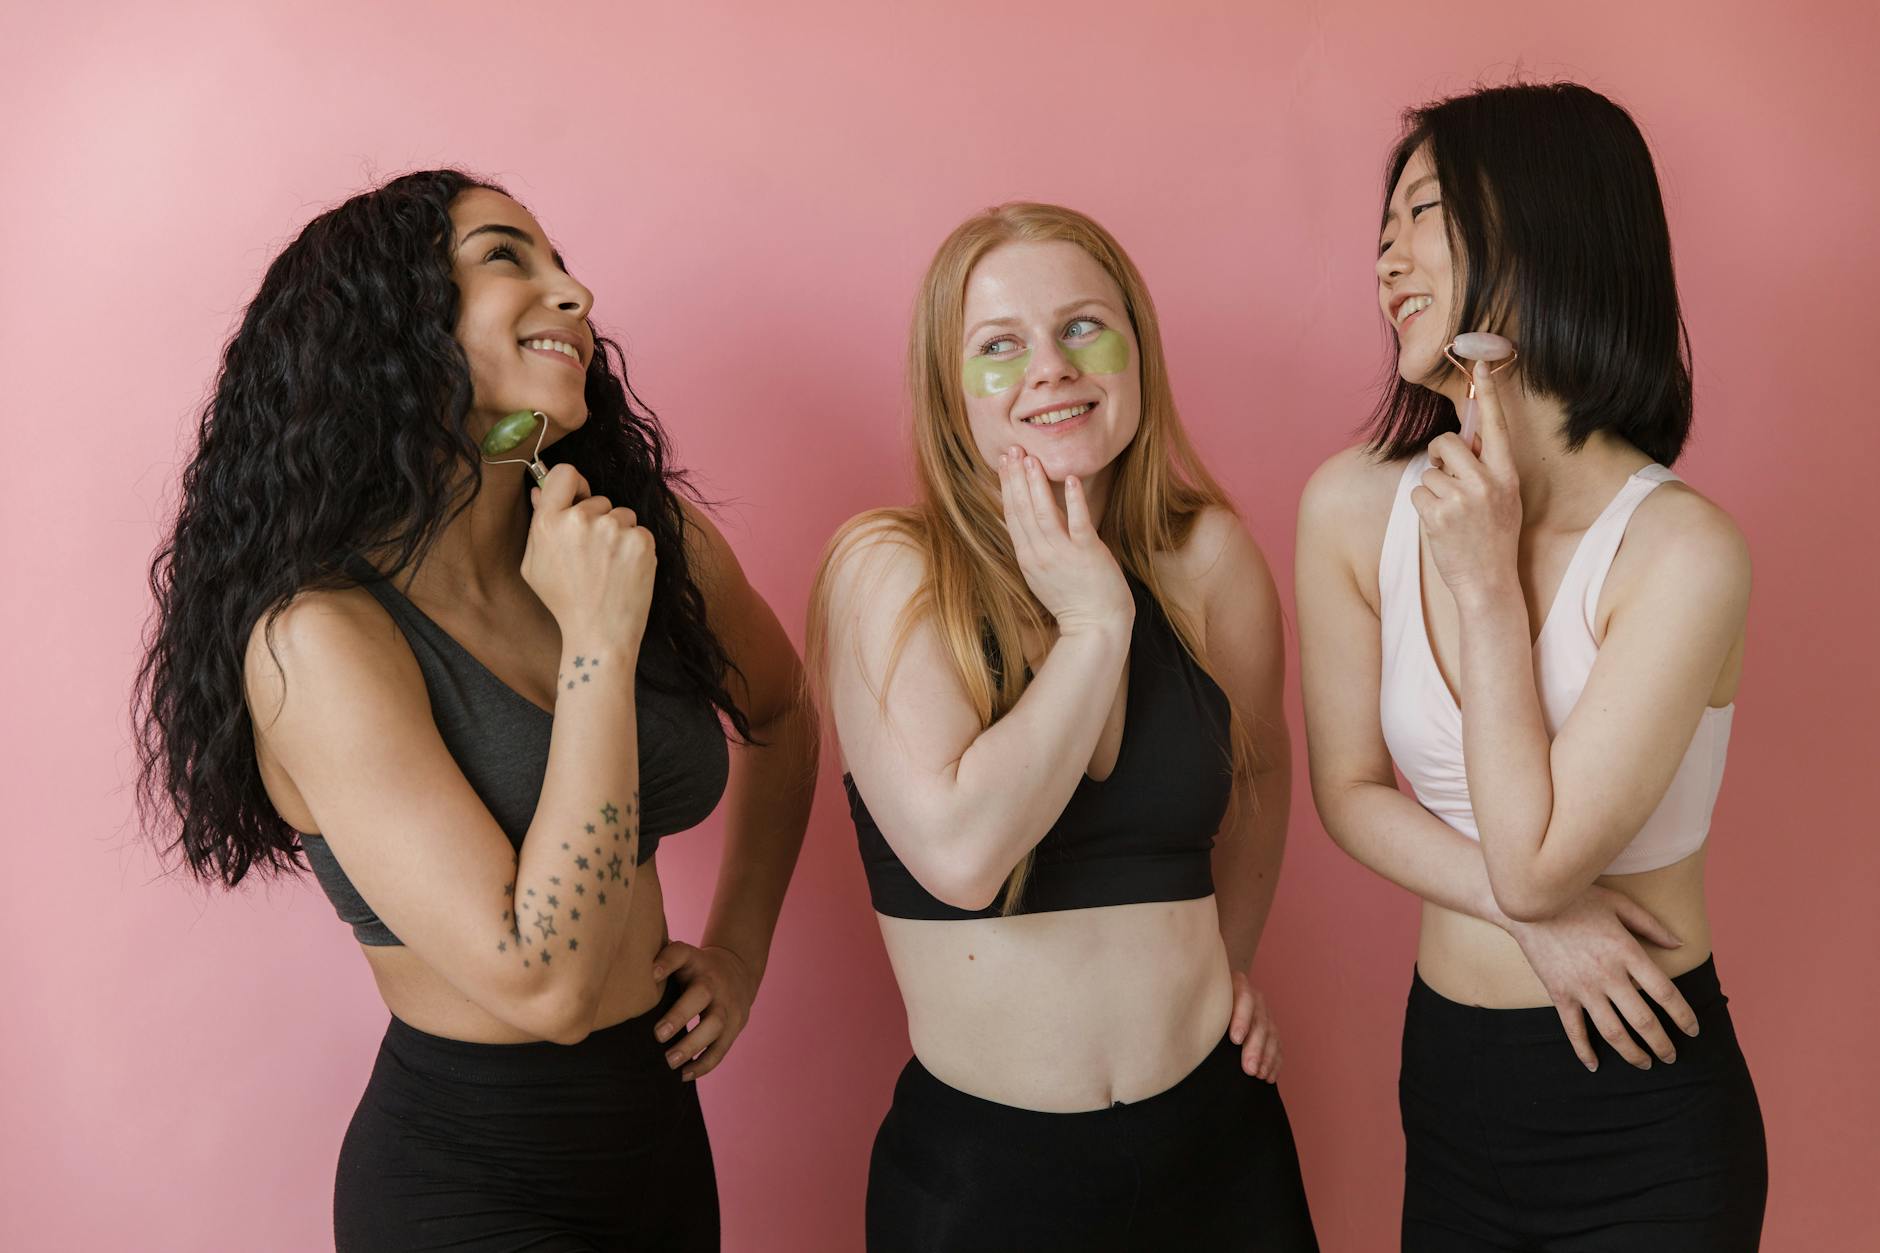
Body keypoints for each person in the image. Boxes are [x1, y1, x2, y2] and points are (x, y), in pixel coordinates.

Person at [133, 169, 816, 1252]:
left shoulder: (636, 537)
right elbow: (541, 980)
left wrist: (736, 951)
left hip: (659, 1145)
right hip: (465, 1182)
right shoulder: (319, 638)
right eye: (509, 255)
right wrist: (597, 640)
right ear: (390, 321)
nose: (576, 292)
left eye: (562, 261)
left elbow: (781, 705)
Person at [1295, 82, 1767, 1250]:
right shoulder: (1349, 505)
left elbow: (1540, 861)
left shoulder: (1681, 551)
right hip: (1453, 1085)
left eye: (1421, 214)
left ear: (1540, 225)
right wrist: (1535, 929)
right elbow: (1345, 792)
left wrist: (1483, 587)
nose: (1383, 258)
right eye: (1380, 228)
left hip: (1642, 1106)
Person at [810, 202, 1318, 1251]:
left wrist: (1226, 963)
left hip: (1220, 1153)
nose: (1049, 367)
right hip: (986, 1187)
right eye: (998, 346)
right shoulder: (888, 569)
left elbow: (1261, 774)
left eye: (1083, 326)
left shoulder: (1207, 557)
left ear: (1134, 350)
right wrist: (1094, 620)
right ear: (952, 395)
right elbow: (961, 854)